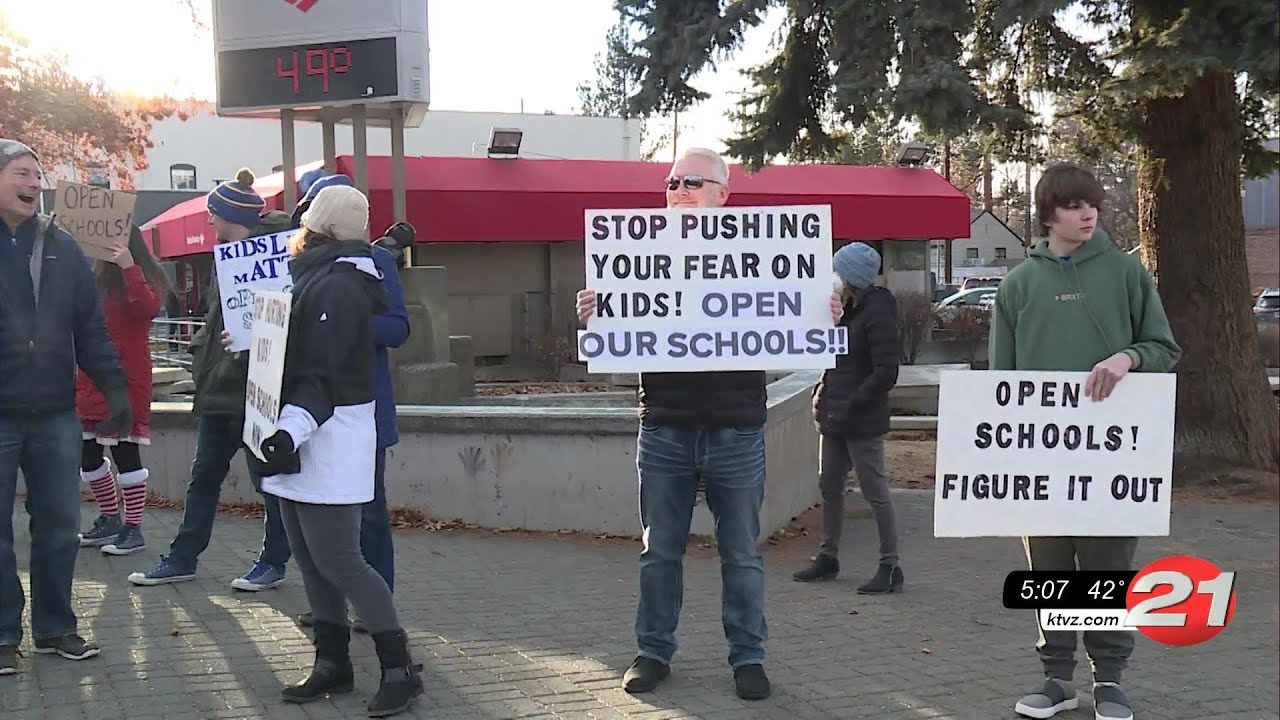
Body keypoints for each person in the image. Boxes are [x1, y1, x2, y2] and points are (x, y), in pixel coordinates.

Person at [575, 147, 844, 701]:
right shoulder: (636, 253)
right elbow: (616, 337)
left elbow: (795, 322)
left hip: (735, 430)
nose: (678, 189)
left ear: (724, 194)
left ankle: (748, 658)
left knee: (742, 553)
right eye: (671, 181)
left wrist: (823, 312)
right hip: (666, 426)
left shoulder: (761, 252)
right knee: (658, 552)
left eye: (692, 181)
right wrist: (592, 315)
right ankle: (653, 651)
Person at [992, 163, 1180, 720]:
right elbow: (1004, 381)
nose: (1087, 212)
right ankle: (1056, 680)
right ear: (1049, 214)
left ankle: (1110, 681)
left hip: (1114, 452)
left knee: (1106, 564)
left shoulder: (1125, 272)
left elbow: (1163, 346)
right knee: (1049, 569)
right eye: (1073, 204)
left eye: (1091, 203)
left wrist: (1128, 357)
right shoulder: (1018, 284)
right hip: (1042, 455)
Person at [251, 184, 422, 716]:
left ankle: (400, 668)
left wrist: (290, 427)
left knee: (341, 560)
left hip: (323, 435)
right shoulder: (318, 277)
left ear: (314, 223)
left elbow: (323, 375)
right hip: (299, 432)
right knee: (311, 558)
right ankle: (333, 662)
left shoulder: (339, 285)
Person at [128, 169, 295, 591]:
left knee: (270, 485)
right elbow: (218, 318)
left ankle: (274, 561)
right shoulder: (227, 260)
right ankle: (183, 557)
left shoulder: (276, 258)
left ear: (229, 217)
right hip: (220, 391)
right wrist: (206, 345)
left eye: (212, 214)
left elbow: (285, 323)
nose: (208, 222)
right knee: (203, 480)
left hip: (257, 394)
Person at [0, 139, 130, 673]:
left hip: (55, 413)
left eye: (37, 175)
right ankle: (4, 635)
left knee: (58, 525)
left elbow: (91, 328)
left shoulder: (64, 246)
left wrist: (115, 388)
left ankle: (56, 629)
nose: (34, 183)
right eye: (21, 173)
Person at [288, 174, 411, 633]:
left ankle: (377, 607)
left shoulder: (375, 263)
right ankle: (329, 610)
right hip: (306, 412)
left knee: (370, 515)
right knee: (311, 521)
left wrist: (348, 324)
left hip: (362, 411)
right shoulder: (302, 266)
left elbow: (398, 328)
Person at [793, 242, 904, 592]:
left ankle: (890, 565)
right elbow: (836, 358)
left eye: (838, 272)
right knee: (830, 486)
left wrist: (852, 403)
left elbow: (886, 371)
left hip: (861, 418)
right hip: (835, 415)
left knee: (875, 491)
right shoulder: (849, 310)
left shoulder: (877, 313)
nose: (833, 278)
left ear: (852, 278)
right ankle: (828, 556)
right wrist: (824, 394)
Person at [76, 226, 168, 556]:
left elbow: (147, 309)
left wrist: (130, 266)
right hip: (91, 378)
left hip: (127, 379)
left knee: (126, 453)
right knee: (87, 456)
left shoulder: (146, 274)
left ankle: (134, 528)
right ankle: (110, 517)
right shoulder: (94, 276)